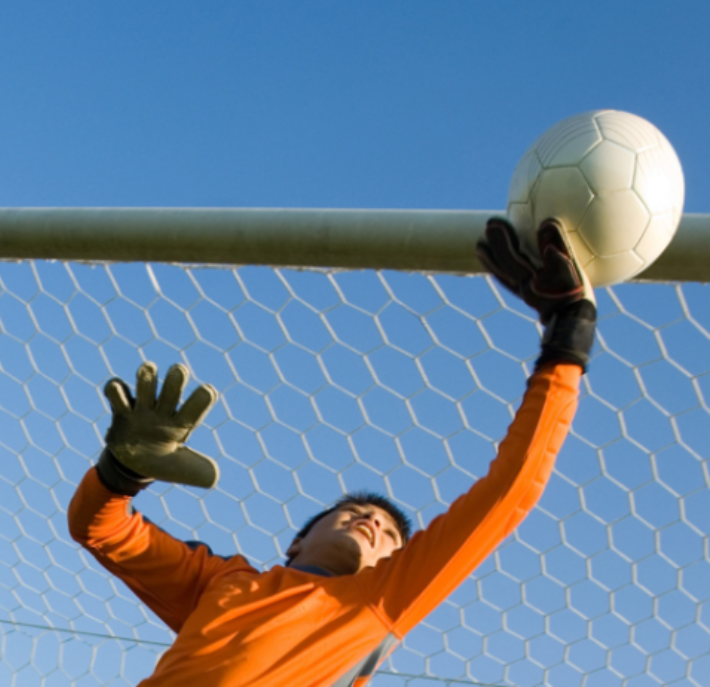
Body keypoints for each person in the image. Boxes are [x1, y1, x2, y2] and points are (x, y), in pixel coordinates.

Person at [68, 218, 596, 686]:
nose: (372, 522)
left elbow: (508, 493)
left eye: (390, 534)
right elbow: (98, 528)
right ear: (297, 541)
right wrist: (122, 472)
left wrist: (566, 342)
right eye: (356, 511)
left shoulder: (381, 600)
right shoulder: (224, 581)